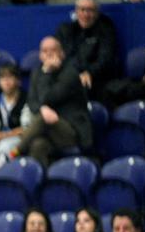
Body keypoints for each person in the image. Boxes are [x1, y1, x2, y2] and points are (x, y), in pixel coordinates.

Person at [10, 36, 92, 168]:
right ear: (40, 55)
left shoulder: (70, 73)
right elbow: (32, 102)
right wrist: (42, 109)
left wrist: (47, 72)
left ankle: (13, 154)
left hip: (71, 131)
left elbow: (48, 98)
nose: (48, 54)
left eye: (53, 50)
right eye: (44, 51)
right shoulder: (37, 72)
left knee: (43, 118)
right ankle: (39, 182)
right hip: (47, 130)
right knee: (38, 145)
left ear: (62, 53)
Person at [54, 0, 118, 101]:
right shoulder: (68, 29)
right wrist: (77, 74)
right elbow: (65, 56)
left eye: (90, 10)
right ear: (76, 11)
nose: (85, 14)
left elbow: (105, 59)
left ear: (97, 12)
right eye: (82, 9)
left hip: (97, 80)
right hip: (72, 76)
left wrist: (89, 72)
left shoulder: (105, 28)